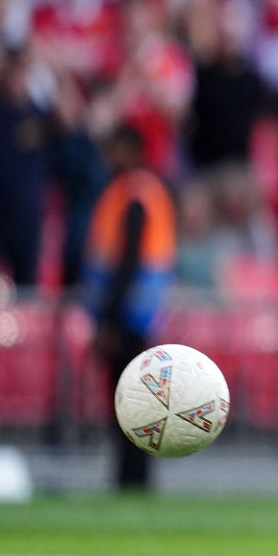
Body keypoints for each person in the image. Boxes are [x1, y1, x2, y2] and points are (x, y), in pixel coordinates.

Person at [81, 123, 177, 490]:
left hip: (129, 318)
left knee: (129, 404)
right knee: (133, 404)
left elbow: (127, 262)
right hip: (138, 315)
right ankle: (131, 479)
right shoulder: (139, 192)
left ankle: (132, 480)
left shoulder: (134, 195)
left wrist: (107, 317)